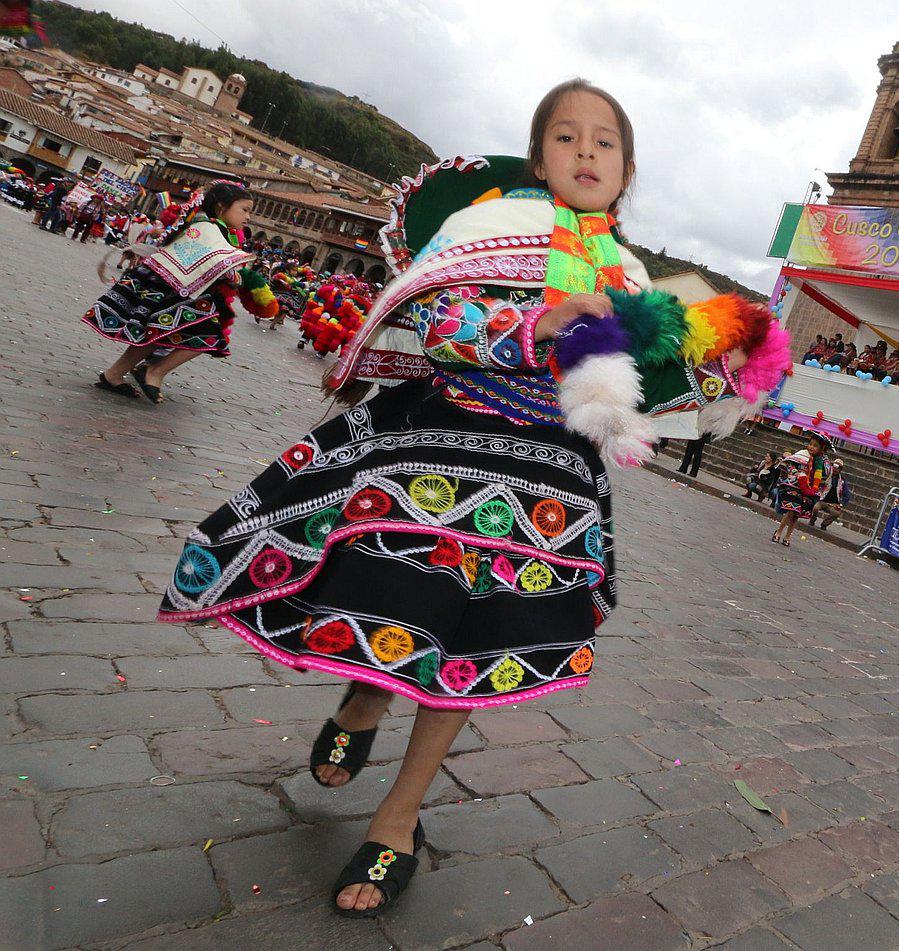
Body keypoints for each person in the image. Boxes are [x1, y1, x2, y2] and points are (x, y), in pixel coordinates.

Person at [155, 81, 789, 917]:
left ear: (627, 172)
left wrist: (731, 356)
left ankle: (400, 813)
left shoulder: (637, 281)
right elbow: (439, 326)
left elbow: (652, 390)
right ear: (539, 160)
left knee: (475, 644)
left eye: (605, 141)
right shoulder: (487, 229)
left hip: (549, 488)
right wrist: (541, 324)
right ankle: (367, 694)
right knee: (402, 597)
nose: (587, 151)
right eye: (566, 136)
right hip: (441, 447)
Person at [84, 181, 279, 403]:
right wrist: (236, 276)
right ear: (221, 206)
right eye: (244, 210)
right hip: (177, 291)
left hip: (176, 289)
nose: (248, 217)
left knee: (155, 334)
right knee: (208, 336)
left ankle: (114, 375)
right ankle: (154, 372)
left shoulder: (211, 226)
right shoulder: (206, 228)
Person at [773, 433, 831, 546]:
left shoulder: (822, 461)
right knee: (791, 510)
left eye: (815, 445)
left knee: (796, 514)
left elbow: (825, 475)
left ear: (821, 449)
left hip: (809, 490)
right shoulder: (802, 454)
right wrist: (796, 473)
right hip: (795, 486)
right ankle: (779, 532)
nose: (811, 447)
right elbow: (790, 464)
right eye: (810, 444)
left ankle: (788, 536)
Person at [813, 458, 852, 529]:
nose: (835, 469)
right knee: (815, 508)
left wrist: (840, 504)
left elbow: (847, 495)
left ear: (840, 470)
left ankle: (824, 524)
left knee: (836, 513)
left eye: (837, 468)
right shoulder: (826, 475)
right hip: (822, 501)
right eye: (834, 466)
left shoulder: (842, 481)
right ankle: (812, 520)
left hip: (833, 504)